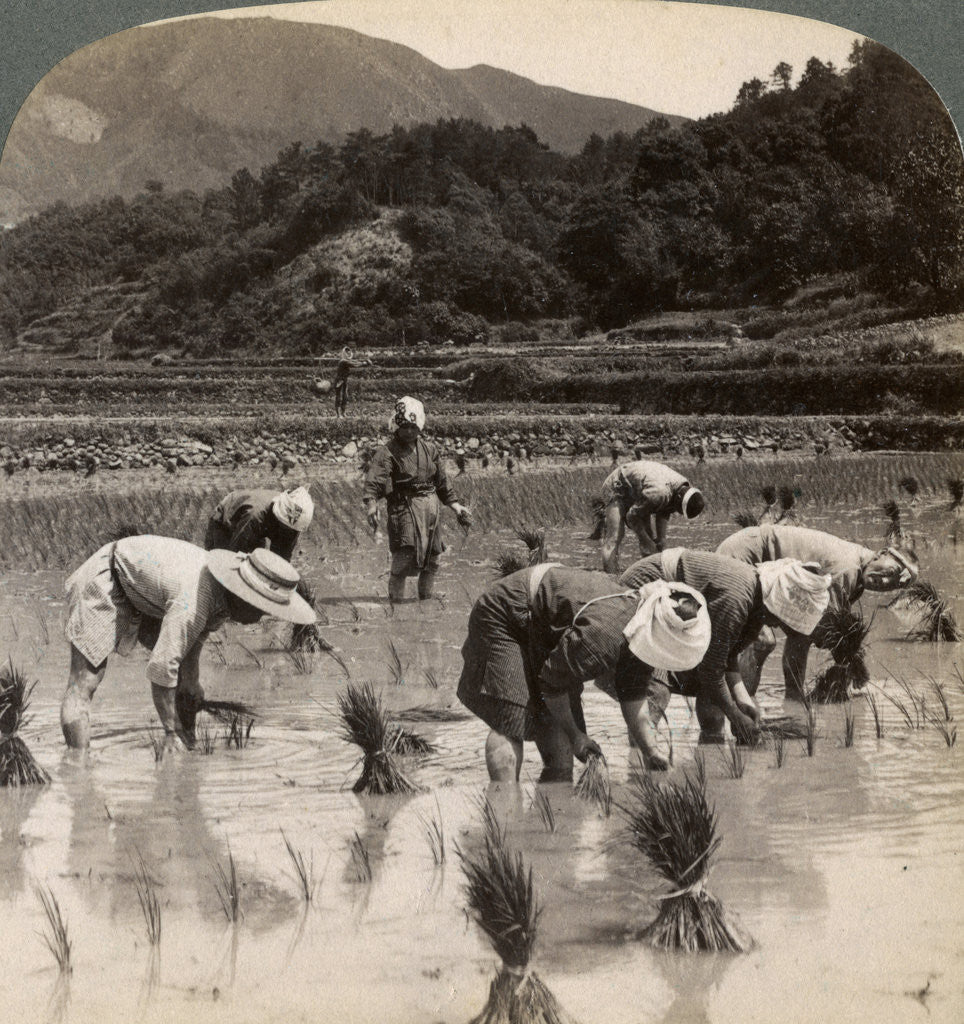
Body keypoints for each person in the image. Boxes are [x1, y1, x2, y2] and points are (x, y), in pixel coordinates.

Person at [456, 562, 713, 780]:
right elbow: (552, 685)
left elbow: (633, 697)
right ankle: (504, 812)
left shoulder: (643, 633)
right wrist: (578, 735)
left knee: (562, 758)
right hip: (506, 614)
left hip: (547, 627)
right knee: (512, 718)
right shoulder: (607, 635)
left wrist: (651, 751)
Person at [60, 536, 316, 751]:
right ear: (244, 596)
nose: (261, 616)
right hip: (107, 576)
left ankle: (188, 741)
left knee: (187, 685)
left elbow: (192, 645)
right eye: (261, 607)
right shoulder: (194, 600)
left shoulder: (222, 598)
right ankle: (78, 769)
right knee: (86, 680)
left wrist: (191, 681)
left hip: (144, 592)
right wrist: (171, 732)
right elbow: (161, 668)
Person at [619, 548, 833, 743]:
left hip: (676, 610)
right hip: (642, 592)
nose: (779, 626)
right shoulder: (737, 600)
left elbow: (727, 658)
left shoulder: (757, 609)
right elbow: (711, 671)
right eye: (784, 620)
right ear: (777, 607)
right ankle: (640, 762)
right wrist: (735, 716)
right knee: (657, 690)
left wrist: (744, 701)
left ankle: (707, 744)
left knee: (709, 692)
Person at [715, 524, 919, 698]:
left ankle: (752, 702)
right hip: (745, 556)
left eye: (894, 584)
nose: (885, 582)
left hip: (757, 562)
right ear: (882, 554)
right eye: (889, 573)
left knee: (784, 634)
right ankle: (743, 707)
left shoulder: (858, 567)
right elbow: (814, 634)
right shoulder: (847, 570)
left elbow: (827, 630)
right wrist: (852, 669)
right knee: (762, 640)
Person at [362, 396, 472, 602]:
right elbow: (374, 482)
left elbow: (442, 482)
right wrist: (371, 506)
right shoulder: (387, 452)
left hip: (431, 509)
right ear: (397, 425)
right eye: (404, 426)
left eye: (413, 427)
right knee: (403, 557)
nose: (409, 431)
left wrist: (456, 507)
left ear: (420, 425)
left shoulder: (430, 450)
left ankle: (425, 601)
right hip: (404, 508)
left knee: (433, 558)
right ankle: (396, 604)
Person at [598, 458, 705, 573]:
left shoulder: (683, 486)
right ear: (679, 499)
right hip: (617, 486)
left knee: (651, 539)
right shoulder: (658, 493)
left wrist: (661, 539)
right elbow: (632, 517)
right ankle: (611, 578)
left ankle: (649, 574)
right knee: (616, 536)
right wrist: (645, 540)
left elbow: (665, 510)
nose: (677, 512)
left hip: (640, 488)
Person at [204, 486, 314, 562]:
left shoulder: (294, 523)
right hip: (226, 521)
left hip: (258, 527)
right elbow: (235, 553)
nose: (286, 531)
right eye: (283, 526)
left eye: (289, 529)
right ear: (277, 515)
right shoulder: (255, 515)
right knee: (222, 564)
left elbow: (282, 561)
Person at [331, 347, 371, 418]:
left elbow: (354, 362)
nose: (349, 354)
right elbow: (355, 365)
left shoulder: (346, 361)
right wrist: (365, 363)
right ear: (344, 353)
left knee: (345, 396)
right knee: (339, 396)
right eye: (347, 353)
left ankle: (343, 413)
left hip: (344, 380)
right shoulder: (343, 361)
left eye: (349, 353)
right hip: (339, 380)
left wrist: (363, 362)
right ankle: (338, 414)